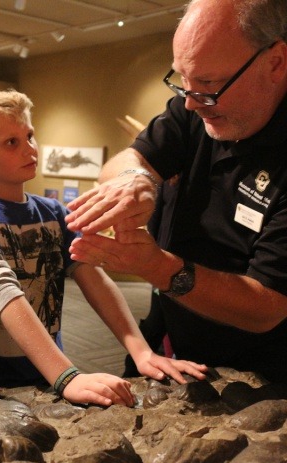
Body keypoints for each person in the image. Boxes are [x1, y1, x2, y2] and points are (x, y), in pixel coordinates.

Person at [66, 0, 287, 384]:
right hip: (168, 340)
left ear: (275, 62)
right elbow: (129, 160)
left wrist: (155, 266)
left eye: (208, 84)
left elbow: (266, 307)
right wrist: (136, 181)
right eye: (183, 79)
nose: (189, 100)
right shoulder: (196, 105)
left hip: (262, 372)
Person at [0, 89, 206, 408]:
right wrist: (65, 375)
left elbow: (95, 280)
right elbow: (0, 290)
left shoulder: (54, 214)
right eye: (11, 142)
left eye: (29, 135)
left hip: (43, 375)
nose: (29, 149)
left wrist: (141, 351)